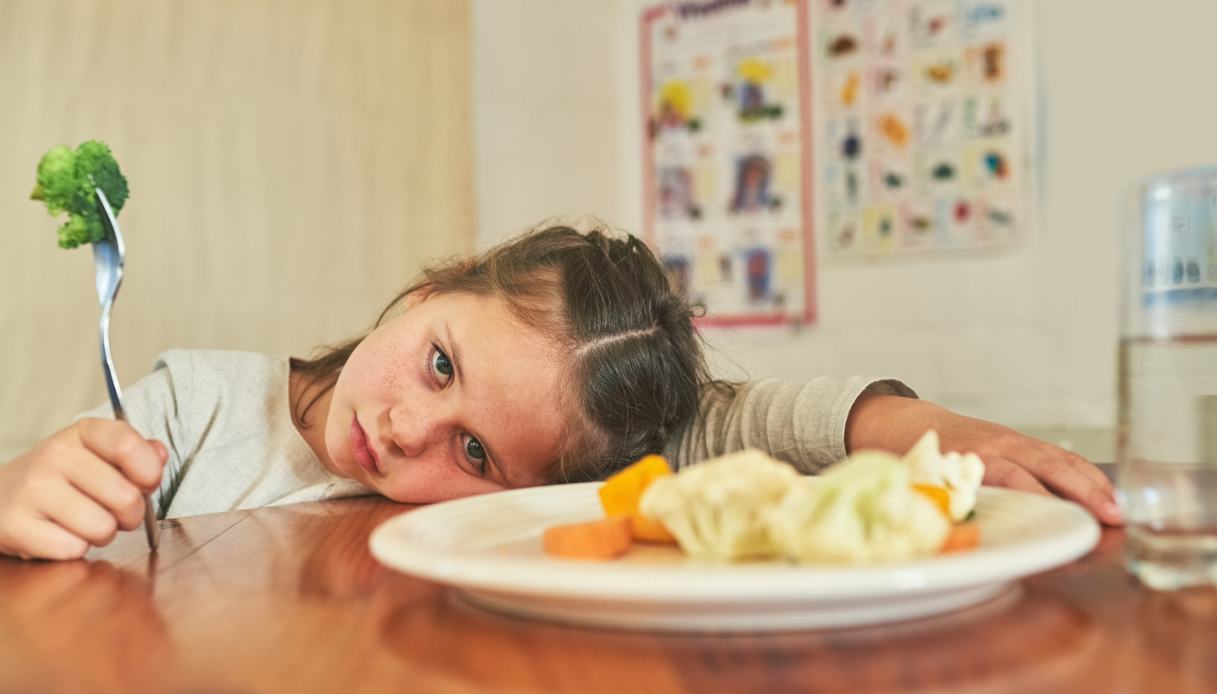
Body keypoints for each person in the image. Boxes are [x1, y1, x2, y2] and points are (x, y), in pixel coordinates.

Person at [0, 222, 1121, 561]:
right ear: (430, 287)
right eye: (441, 362)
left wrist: (918, 427)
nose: (404, 428)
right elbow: (44, 524)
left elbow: (733, 424)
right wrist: (15, 499)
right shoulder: (187, 406)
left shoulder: (557, 474)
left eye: (475, 454)